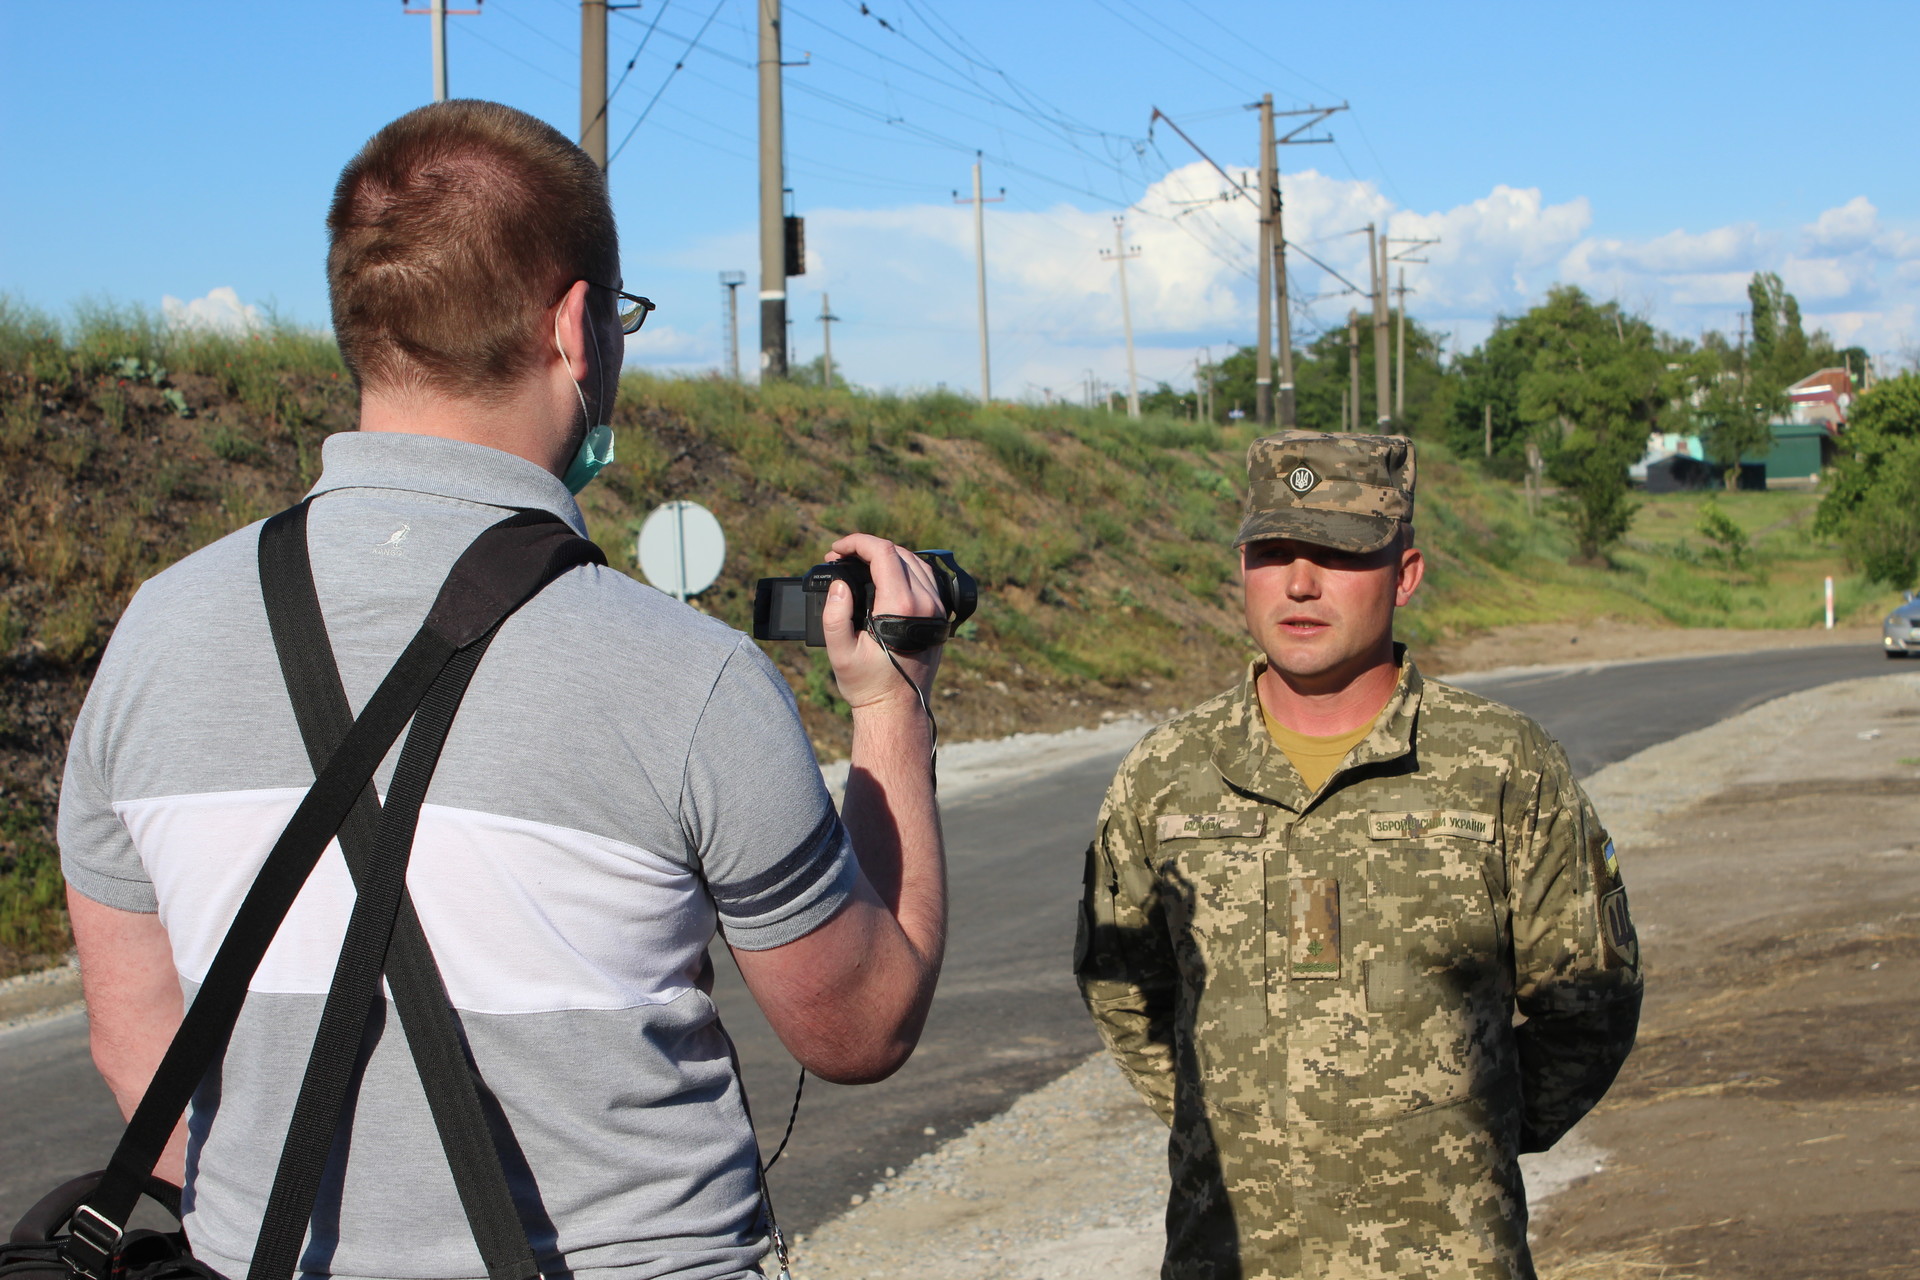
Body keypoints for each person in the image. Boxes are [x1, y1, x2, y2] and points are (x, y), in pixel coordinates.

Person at [58, 100, 948, 1280]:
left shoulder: (156, 634)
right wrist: (893, 710)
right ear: (577, 325)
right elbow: (861, 1023)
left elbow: (139, 1053)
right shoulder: (685, 676)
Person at [1075, 431, 1642, 1280]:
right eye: (1273, 552)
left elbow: (1590, 997)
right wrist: (1228, 1120)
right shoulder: (1166, 776)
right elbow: (1123, 986)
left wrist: (1465, 1133)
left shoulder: (1501, 765)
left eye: (1336, 554)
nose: (1300, 582)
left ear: (1404, 574)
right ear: (1241, 567)